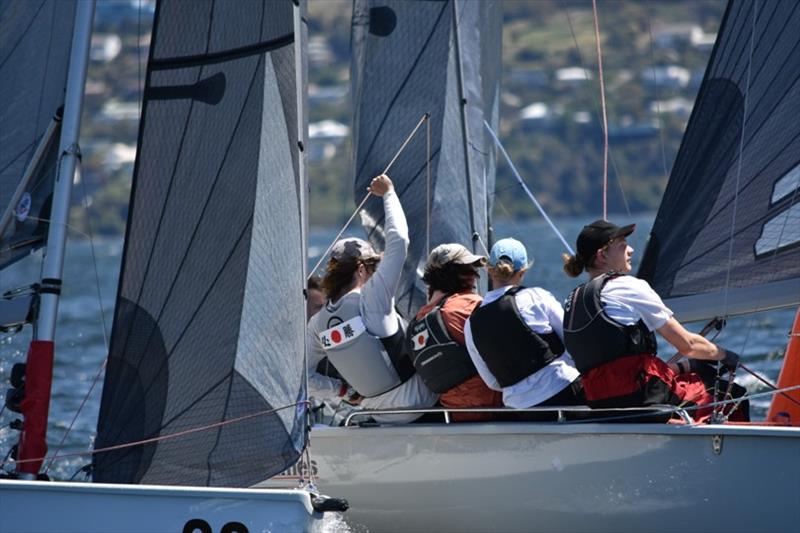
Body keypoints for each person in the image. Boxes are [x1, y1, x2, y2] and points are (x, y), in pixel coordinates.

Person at [561, 219, 748, 422]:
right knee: (731, 394)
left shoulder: (573, 299)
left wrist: (686, 366)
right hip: (641, 398)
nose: (631, 250)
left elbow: (608, 366)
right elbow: (688, 345)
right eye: (622, 246)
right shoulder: (627, 286)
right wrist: (725, 355)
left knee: (692, 373)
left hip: (600, 402)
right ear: (602, 256)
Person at [306, 174, 438, 423]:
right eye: (372, 267)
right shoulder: (372, 297)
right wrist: (389, 192)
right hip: (423, 407)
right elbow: (399, 241)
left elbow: (303, 376)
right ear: (361, 270)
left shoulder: (317, 324)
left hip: (380, 418)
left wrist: (341, 391)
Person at [464, 238, 584, 417]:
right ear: (523, 271)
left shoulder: (470, 324)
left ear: (489, 270)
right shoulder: (536, 297)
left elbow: (492, 382)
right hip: (564, 390)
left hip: (520, 409)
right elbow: (572, 341)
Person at [407, 244, 503, 421]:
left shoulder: (417, 320)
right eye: (469, 269)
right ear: (455, 273)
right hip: (494, 409)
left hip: (454, 415)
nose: (475, 275)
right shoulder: (467, 306)